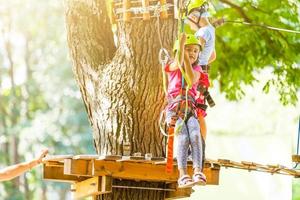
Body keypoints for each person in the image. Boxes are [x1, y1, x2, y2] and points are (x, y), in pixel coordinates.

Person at [164, 33, 206, 188]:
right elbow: (178, 63)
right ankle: (182, 175)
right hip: (174, 110)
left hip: (190, 109)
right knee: (183, 137)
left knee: (195, 135)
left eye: (195, 51)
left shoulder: (198, 69)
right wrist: (181, 47)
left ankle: (197, 171)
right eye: (189, 50)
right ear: (179, 51)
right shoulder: (172, 64)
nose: (192, 53)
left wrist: (185, 54)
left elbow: (190, 78)